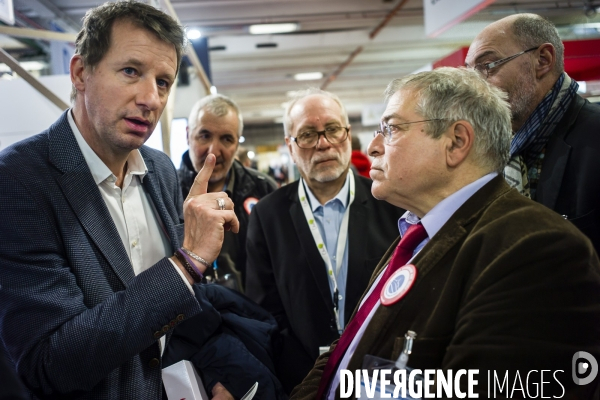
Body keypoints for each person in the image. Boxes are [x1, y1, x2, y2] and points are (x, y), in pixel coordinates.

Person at [290, 68, 600, 399]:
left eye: (391, 129)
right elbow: (353, 343)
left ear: (456, 142)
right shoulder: (418, 233)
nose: (373, 147)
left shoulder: (536, 249)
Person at [0, 2, 239, 399]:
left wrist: (209, 374)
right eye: (131, 71)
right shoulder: (19, 181)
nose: (151, 98)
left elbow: (172, 318)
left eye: (163, 82)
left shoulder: (160, 170)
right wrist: (188, 261)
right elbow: (51, 362)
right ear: (80, 72)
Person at [245, 88, 404, 393]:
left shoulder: (390, 202)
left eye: (333, 130)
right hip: (301, 381)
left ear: (347, 134)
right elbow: (263, 312)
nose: (323, 144)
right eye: (307, 134)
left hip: (381, 375)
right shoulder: (268, 215)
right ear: (290, 148)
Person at [465, 13, 600, 254]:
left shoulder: (593, 138)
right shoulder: (492, 154)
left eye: (487, 66)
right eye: (470, 73)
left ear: (543, 60)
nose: (476, 86)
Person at [178, 94, 277, 289]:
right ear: (188, 135)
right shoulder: (165, 190)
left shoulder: (264, 190)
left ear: (237, 144)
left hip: (251, 314)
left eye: (226, 139)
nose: (214, 151)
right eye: (204, 135)